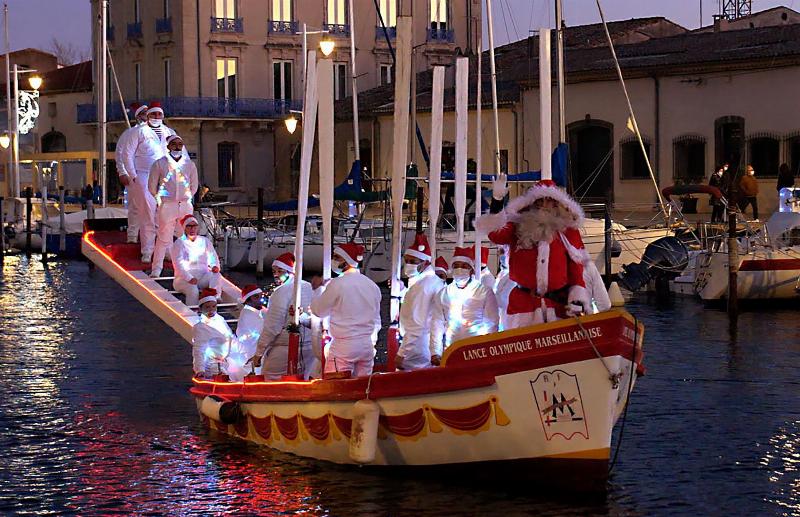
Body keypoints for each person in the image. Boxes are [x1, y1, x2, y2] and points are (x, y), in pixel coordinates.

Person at [476, 177, 591, 329]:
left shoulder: (567, 231)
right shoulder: (517, 227)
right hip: (523, 308)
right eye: (539, 201)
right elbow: (495, 235)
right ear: (531, 204)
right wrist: (497, 202)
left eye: (548, 201)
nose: (543, 205)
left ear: (557, 204)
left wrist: (578, 294)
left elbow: (576, 267)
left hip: (558, 308)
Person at [115, 101, 178, 262]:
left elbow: (180, 151)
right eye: (153, 114)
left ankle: (165, 250)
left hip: (165, 177)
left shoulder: (169, 132)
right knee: (147, 214)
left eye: (159, 114)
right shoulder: (136, 132)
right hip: (143, 175)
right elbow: (125, 154)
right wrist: (131, 174)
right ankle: (147, 251)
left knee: (164, 216)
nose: (156, 117)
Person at [310, 243, 382, 377]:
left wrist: (318, 290)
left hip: (344, 346)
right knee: (363, 386)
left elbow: (319, 311)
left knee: (336, 387)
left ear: (347, 261)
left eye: (337, 257)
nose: (333, 261)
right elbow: (377, 320)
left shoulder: (337, 284)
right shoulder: (372, 286)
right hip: (366, 345)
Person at [429, 246, 499, 366]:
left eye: (464, 266)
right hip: (452, 350)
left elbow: (492, 323)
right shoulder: (444, 293)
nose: (459, 269)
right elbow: (437, 323)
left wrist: (488, 350)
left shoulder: (484, 291)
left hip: (477, 350)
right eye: (456, 266)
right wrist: (435, 352)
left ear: (471, 269)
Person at [250, 253, 315, 380]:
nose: (275, 274)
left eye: (280, 271)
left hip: (285, 348)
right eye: (274, 271)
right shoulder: (308, 287)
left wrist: (259, 353)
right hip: (310, 348)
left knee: (270, 379)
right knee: (303, 380)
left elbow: (272, 326)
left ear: (290, 271)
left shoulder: (280, 292)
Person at [147, 134, 199, 277]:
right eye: (174, 144)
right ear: (168, 146)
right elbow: (151, 186)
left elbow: (194, 185)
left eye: (180, 144)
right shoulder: (159, 164)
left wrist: (187, 197)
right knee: (163, 237)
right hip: (167, 205)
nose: (177, 146)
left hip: (185, 205)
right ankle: (156, 269)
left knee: (187, 238)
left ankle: (188, 268)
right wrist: (161, 199)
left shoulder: (189, 165)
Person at [396, 233, 445, 371]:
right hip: (422, 343)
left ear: (425, 263)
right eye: (407, 261)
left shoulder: (423, 287)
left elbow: (417, 324)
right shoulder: (429, 282)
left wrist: (402, 352)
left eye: (413, 262)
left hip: (416, 346)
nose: (408, 265)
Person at [192, 288, 244, 380]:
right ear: (201, 308)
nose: (211, 310)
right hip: (213, 366)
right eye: (207, 307)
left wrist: (243, 354)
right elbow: (198, 350)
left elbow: (231, 338)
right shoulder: (200, 327)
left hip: (227, 362)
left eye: (213, 306)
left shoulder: (221, 320)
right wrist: (200, 369)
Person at [171, 214, 222, 307]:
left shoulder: (205, 241)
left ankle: (215, 298)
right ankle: (193, 311)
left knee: (216, 275)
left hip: (201, 277)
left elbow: (213, 256)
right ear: (184, 228)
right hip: (182, 279)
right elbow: (178, 264)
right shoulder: (179, 242)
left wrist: (215, 266)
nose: (192, 229)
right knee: (193, 289)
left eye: (194, 226)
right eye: (189, 226)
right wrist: (189, 278)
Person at [116, 102, 149, 243]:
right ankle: (132, 237)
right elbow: (120, 153)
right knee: (135, 207)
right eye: (145, 114)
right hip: (134, 175)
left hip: (153, 177)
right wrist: (122, 171)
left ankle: (150, 238)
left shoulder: (158, 133)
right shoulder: (129, 134)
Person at [235, 284, 264, 364]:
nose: (261, 299)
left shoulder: (254, 313)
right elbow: (253, 337)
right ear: (251, 298)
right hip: (253, 356)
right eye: (257, 297)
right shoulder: (248, 315)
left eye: (261, 296)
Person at [494, 246, 516, 331]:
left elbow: (504, 299)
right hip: (502, 315)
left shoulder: (513, 277)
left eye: (503, 255)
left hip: (508, 315)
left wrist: (491, 298)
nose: (501, 258)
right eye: (500, 255)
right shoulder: (502, 273)